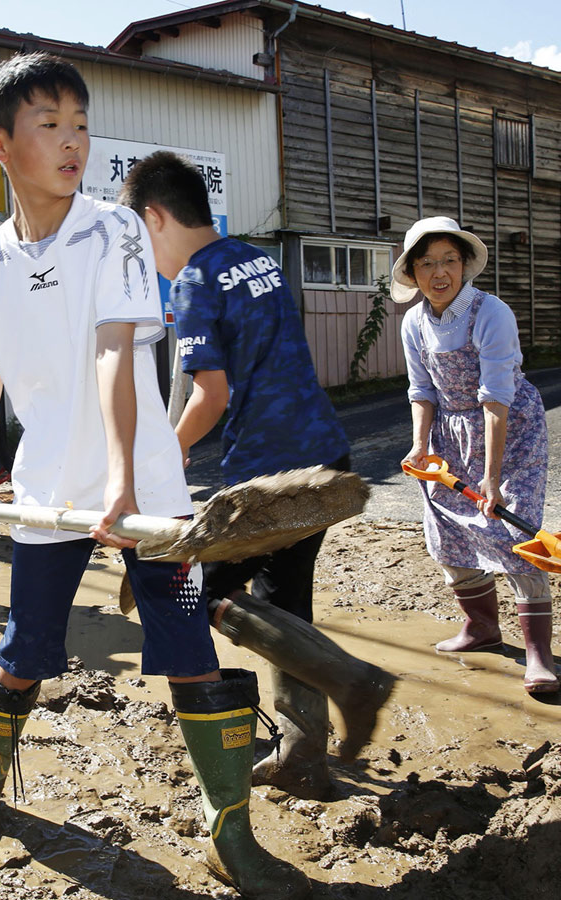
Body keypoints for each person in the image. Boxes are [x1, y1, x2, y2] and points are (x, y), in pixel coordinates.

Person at [0, 53, 311, 898]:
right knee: (27, 648)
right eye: (49, 125)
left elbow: (115, 350)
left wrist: (125, 484)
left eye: (80, 123)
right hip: (46, 496)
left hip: (147, 494)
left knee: (187, 649)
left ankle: (231, 835)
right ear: (0, 143)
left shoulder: (113, 230)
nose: (73, 142)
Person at [120, 150, 391, 801]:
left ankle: (353, 680)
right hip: (326, 458)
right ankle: (303, 757)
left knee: (186, 590)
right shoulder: (257, 261)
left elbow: (208, 396)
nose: (144, 257)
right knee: (283, 604)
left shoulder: (193, 282)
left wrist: (166, 452)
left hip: (269, 478)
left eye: (138, 239)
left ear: (156, 218)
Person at [392, 216, 558, 694]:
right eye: (427, 264)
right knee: (445, 528)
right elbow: (421, 390)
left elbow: (495, 397)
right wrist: (421, 445)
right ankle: (481, 628)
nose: (438, 273)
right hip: (449, 432)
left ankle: (538, 656)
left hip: (508, 428)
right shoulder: (414, 322)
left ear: (464, 265)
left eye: (448, 261)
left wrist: (490, 476)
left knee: (513, 531)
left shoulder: (491, 313)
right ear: (413, 272)